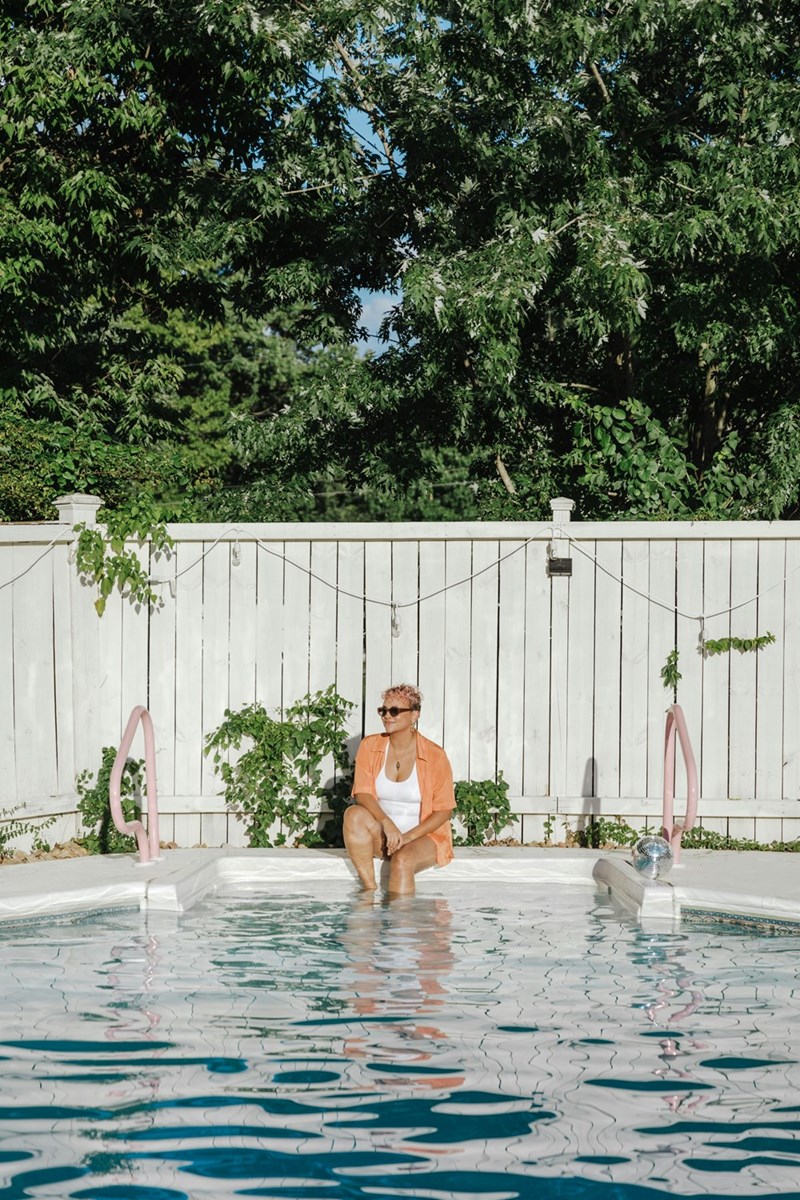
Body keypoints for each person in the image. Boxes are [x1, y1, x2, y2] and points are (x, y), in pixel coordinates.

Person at [344, 684, 456, 896]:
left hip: (423, 838)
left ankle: (401, 926)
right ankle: (369, 893)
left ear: (414, 715)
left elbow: (444, 811)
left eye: (394, 711)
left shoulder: (435, 755)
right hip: (384, 835)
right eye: (383, 711)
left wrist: (407, 838)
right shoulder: (370, 746)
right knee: (353, 815)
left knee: (402, 860)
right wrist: (387, 823)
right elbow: (362, 793)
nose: (387, 716)